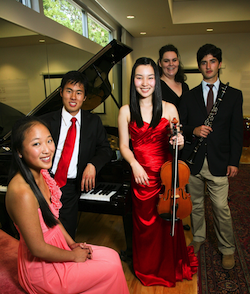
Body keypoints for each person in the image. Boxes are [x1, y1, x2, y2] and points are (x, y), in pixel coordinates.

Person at [5, 116, 129, 294]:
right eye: (36, 144)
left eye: (49, 140)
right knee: (109, 269)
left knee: (113, 256)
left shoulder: (43, 174)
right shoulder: (22, 192)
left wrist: (72, 244)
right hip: (41, 269)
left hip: (58, 246)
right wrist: (73, 256)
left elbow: (52, 219)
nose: (47, 149)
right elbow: (37, 248)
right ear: (19, 151)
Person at [118, 57, 198, 287]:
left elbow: (177, 144)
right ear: (133, 81)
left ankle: (169, 266)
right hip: (141, 178)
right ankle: (147, 268)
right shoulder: (125, 111)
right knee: (144, 226)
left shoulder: (169, 108)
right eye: (139, 77)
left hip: (166, 179)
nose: (145, 83)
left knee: (166, 224)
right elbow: (124, 145)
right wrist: (134, 164)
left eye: (150, 77)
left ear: (157, 80)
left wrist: (180, 141)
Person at [179, 44, 243, 270]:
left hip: (219, 161)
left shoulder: (234, 95)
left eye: (212, 61)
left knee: (220, 207)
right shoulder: (189, 96)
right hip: (193, 161)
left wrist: (234, 161)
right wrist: (193, 130)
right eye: (204, 62)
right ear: (199, 66)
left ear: (219, 64)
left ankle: (227, 248)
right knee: (195, 205)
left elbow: (236, 132)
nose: (208, 66)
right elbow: (180, 127)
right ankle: (198, 238)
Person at [42, 71, 113, 239]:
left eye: (79, 92)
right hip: (43, 182)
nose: (73, 97)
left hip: (70, 187)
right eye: (69, 91)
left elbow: (106, 149)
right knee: (41, 233)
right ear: (61, 93)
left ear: (85, 97)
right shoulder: (45, 121)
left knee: (66, 236)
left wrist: (92, 164)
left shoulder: (93, 122)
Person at [158, 44, 189, 109]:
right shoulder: (156, 86)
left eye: (174, 60)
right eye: (166, 61)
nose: (171, 64)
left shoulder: (185, 86)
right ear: (160, 63)